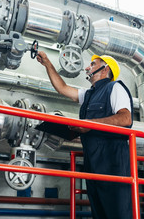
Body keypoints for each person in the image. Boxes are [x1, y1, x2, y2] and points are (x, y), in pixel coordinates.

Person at [36, 51, 133, 219]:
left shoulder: (115, 87)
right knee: (99, 211)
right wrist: (47, 64)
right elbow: (63, 88)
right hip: (92, 160)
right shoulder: (88, 94)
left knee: (117, 211)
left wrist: (89, 125)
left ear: (105, 69)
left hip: (113, 161)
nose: (88, 67)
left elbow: (125, 118)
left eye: (93, 64)